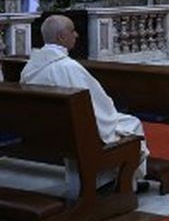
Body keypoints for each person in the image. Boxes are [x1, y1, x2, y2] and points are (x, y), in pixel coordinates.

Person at [21, 15, 150, 194]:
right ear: (61, 37)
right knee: (132, 124)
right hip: (77, 134)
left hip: (49, 132)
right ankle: (124, 183)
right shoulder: (68, 67)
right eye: (72, 31)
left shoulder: (31, 66)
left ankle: (103, 180)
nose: (76, 35)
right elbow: (98, 107)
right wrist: (109, 113)